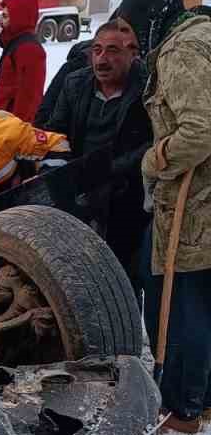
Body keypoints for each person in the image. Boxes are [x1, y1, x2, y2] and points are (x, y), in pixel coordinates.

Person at [114, 0, 211, 435]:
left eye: (133, 35)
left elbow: (199, 130)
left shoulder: (180, 51)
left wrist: (154, 161)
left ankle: (181, 404)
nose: (134, 46)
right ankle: (201, 396)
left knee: (182, 301)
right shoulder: (204, 35)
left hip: (197, 201)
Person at [37, 19, 150, 285]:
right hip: (80, 192)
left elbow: (151, 145)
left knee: (120, 279)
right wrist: (62, 170)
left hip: (126, 196)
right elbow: (55, 131)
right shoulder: (75, 83)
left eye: (113, 51)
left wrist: (108, 171)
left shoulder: (148, 89)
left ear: (133, 54)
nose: (101, 59)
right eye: (97, 50)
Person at [0, 0, 47, 123]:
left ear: (19, 18)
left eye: (5, 16)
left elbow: (30, 98)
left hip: (12, 126)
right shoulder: (15, 44)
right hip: (1, 120)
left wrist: (17, 129)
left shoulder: (29, 49)